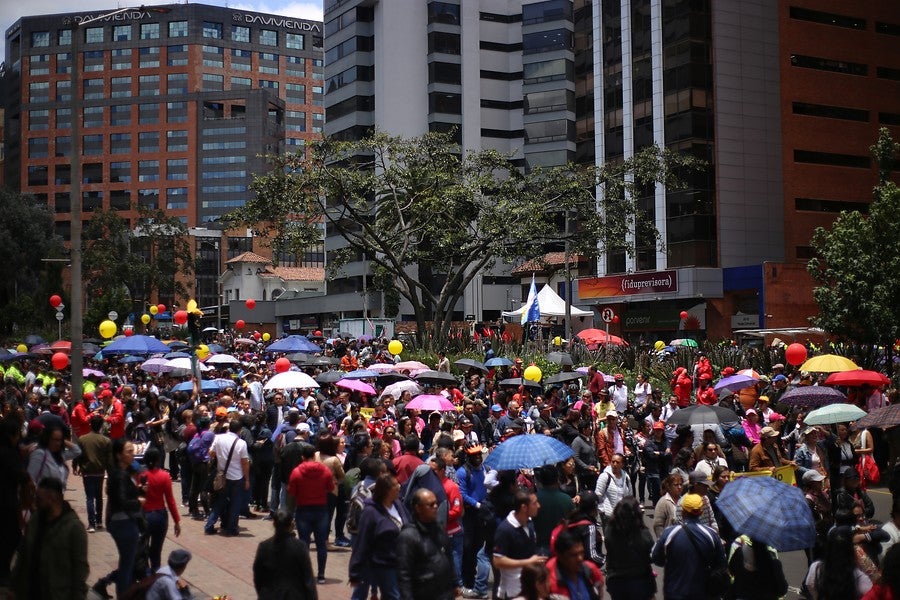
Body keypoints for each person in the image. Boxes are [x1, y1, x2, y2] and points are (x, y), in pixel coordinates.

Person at [11, 477, 88, 600]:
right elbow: (23, 557)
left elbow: (80, 571)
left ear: (52, 499)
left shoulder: (74, 529)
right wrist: (13, 588)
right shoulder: (35, 520)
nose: (35, 502)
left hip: (56, 594)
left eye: (39, 499)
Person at [94, 438, 144, 599]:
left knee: (126, 563)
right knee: (127, 566)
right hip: (123, 523)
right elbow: (122, 501)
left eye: (132, 451)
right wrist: (139, 501)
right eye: (128, 451)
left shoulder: (121, 473)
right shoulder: (120, 475)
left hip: (121, 522)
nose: (132, 454)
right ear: (118, 455)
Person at [651, 493, 726, 600]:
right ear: (701, 512)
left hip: (674, 592)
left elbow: (656, 559)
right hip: (703, 593)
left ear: (683, 511)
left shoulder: (669, 533)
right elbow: (721, 564)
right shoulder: (711, 534)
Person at [349, 473, 409, 600]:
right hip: (377, 562)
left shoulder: (398, 505)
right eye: (395, 486)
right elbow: (362, 541)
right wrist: (355, 571)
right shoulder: (370, 512)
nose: (399, 487)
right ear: (386, 491)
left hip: (397, 561)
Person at [287, 442, 335, 584]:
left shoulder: (296, 472)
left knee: (304, 544)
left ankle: (305, 573)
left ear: (302, 457)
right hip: (321, 510)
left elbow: (291, 492)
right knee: (321, 545)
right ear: (314, 456)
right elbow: (330, 487)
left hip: (303, 510)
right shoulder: (325, 471)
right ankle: (321, 575)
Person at [397, 488, 456, 600]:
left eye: (436, 503)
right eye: (431, 504)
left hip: (444, 594)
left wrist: (455, 583)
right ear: (418, 508)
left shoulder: (440, 530)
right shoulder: (408, 536)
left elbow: (448, 558)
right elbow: (403, 575)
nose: (435, 507)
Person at [253, 510, 318, 600]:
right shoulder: (299, 547)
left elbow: (258, 577)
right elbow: (308, 579)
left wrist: (263, 593)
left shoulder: (264, 547)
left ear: (274, 524)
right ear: (292, 525)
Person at [493, 490, 546, 599]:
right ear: (524, 508)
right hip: (512, 591)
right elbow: (498, 561)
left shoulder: (530, 523)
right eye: (534, 503)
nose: (538, 506)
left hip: (529, 589)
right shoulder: (505, 530)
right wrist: (529, 561)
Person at [204, 418, 250, 537]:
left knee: (219, 502)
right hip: (237, 477)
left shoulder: (218, 438)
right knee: (235, 503)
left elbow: (211, 453)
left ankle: (209, 525)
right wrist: (247, 479)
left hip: (222, 475)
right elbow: (245, 462)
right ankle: (231, 528)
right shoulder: (241, 443)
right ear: (240, 430)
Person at [604, 497, 655, 600]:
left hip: (616, 580)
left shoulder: (610, 530)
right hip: (640, 580)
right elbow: (651, 552)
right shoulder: (642, 534)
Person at [141, 447, 182, 572]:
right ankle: (155, 573)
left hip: (144, 516)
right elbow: (170, 501)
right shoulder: (164, 476)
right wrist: (176, 521)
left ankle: (145, 575)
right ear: (158, 460)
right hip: (160, 516)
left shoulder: (141, 476)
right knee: (156, 550)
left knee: (143, 548)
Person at [805, 527, 872, 599]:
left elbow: (810, 584)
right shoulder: (859, 576)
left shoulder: (815, 567)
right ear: (850, 550)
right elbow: (871, 594)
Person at [0, 414, 28, 588]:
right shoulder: (9, 453)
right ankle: (4, 572)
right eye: (17, 434)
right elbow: (21, 477)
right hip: (6, 502)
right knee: (12, 537)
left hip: (7, 501)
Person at [76, 414, 112, 533]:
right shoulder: (106, 440)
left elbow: (78, 455)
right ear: (101, 426)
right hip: (100, 472)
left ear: (90, 424)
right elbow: (108, 459)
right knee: (99, 497)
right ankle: (99, 521)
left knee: (90, 498)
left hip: (87, 472)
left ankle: (91, 524)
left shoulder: (82, 439)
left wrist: (75, 466)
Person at [546, 528, 605, 600]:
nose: (580, 558)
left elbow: (600, 586)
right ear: (560, 556)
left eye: (581, 553)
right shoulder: (548, 580)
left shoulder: (589, 569)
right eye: (573, 555)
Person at [727, 535, 788, 600]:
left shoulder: (739, 553)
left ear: (751, 539)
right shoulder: (774, 563)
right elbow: (782, 590)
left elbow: (731, 570)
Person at [27, 421, 82, 489]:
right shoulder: (39, 454)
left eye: (59, 440)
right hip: (43, 497)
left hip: (57, 497)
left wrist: (63, 440)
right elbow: (30, 479)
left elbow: (77, 451)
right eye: (54, 440)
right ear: (47, 439)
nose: (57, 443)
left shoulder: (60, 455)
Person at [533, 465, 574, 555]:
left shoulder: (533, 500)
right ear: (557, 478)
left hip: (541, 549)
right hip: (563, 548)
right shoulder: (566, 499)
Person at [595, 453, 633, 525]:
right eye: (613, 461)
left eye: (617, 462)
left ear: (622, 464)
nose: (614, 464)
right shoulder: (604, 476)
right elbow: (598, 495)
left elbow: (630, 495)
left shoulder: (626, 477)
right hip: (608, 516)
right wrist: (602, 511)